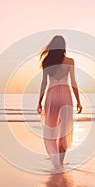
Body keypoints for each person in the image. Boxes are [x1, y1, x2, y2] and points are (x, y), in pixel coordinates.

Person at [37, 35, 82, 169]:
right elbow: (73, 82)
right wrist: (78, 101)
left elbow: (44, 83)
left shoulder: (47, 61)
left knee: (51, 131)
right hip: (65, 96)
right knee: (64, 132)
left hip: (51, 96)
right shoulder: (70, 61)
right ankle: (60, 164)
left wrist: (39, 101)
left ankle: (55, 163)